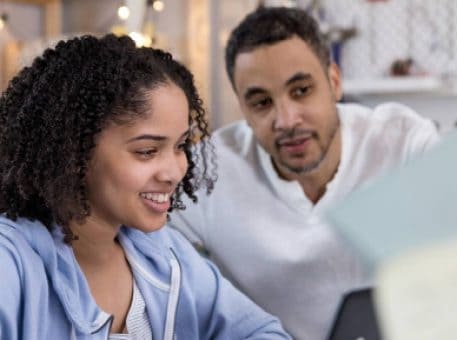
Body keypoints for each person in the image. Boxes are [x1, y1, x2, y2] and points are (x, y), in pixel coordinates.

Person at [171, 6, 440, 340]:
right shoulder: (208, 170)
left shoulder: (404, 144)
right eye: (261, 103)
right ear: (244, 109)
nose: (286, 120)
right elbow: (133, 253)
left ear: (334, 82)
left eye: (301, 91)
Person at [0, 34, 292, 340]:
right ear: (74, 152)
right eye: (147, 151)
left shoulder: (164, 253)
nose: (175, 172)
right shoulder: (11, 264)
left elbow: (263, 332)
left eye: (180, 146)